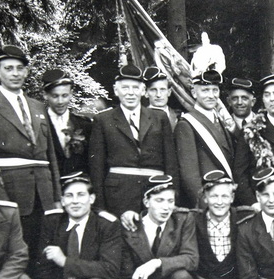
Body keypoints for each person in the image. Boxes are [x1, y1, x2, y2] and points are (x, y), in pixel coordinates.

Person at [0, 45, 61, 273]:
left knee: (43, 258)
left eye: (20, 68)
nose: (15, 73)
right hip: (10, 193)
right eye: (8, 68)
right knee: (13, 257)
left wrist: (56, 196)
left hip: (43, 195)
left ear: (27, 72)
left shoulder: (39, 107)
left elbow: (51, 157)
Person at [88, 64, 178, 217]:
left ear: (143, 91)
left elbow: (171, 162)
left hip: (155, 192)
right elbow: (97, 167)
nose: (130, 93)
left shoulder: (159, 118)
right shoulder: (103, 120)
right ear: (116, 91)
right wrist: (100, 208)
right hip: (117, 195)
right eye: (125, 88)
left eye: (135, 88)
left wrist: (174, 196)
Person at [175, 69, 253, 208]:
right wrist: (203, 205)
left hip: (225, 199)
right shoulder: (186, 124)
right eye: (205, 90)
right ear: (194, 93)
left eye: (215, 90)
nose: (211, 96)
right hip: (210, 203)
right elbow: (189, 176)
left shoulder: (221, 120)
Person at [42, 69, 92, 175]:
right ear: (45, 95)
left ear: (71, 94)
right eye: (55, 96)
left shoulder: (84, 125)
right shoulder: (39, 124)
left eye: (64, 95)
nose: (60, 101)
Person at [143, 66, 181, 131]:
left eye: (162, 89)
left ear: (169, 92)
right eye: (153, 90)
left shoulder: (179, 116)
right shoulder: (140, 118)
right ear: (146, 93)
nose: (158, 95)